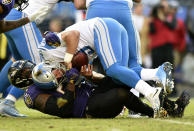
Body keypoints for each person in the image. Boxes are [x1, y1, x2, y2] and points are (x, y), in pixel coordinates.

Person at [45, 17, 175, 117]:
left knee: (112, 69)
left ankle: (150, 92)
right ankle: (157, 73)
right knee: (121, 77)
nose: (58, 74)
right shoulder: (65, 70)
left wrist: (68, 58)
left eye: (54, 73)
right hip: (111, 29)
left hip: (102, 27)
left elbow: (73, 34)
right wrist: (88, 76)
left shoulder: (47, 52)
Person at [8, 60, 190, 118]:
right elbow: (62, 108)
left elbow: (88, 84)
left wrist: (89, 77)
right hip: (86, 109)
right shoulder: (32, 95)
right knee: (122, 93)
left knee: (125, 76)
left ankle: (169, 106)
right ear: (21, 80)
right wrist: (71, 85)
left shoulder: (45, 72)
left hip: (92, 94)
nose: (29, 69)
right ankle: (153, 113)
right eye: (24, 71)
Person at [0, 0, 72, 117]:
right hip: (23, 20)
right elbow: (80, 4)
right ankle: (9, 102)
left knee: (16, 60)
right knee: (40, 65)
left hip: (11, 16)